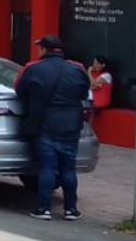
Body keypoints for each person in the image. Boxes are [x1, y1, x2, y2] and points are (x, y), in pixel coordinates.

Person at [15, 36, 90, 222]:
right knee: (68, 168)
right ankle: (71, 210)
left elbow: (19, 89)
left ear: (44, 49)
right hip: (72, 124)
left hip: (45, 124)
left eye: (39, 47)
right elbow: (84, 91)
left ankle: (43, 209)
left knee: (47, 167)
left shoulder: (32, 68)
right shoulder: (78, 68)